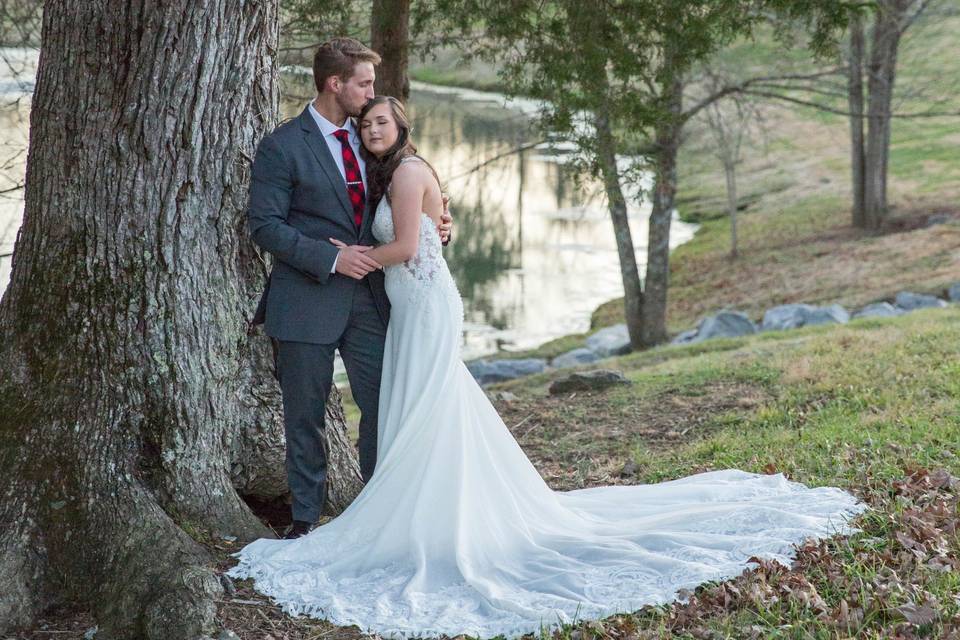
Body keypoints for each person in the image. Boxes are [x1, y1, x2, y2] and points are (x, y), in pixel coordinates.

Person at [229, 95, 865, 639]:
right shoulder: (378, 168)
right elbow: (404, 226)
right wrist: (423, 229)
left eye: (382, 122)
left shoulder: (403, 172)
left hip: (416, 304)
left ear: (403, 130)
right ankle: (393, 508)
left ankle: (409, 513)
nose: (372, 129)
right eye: (366, 120)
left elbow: (405, 242)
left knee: (417, 406)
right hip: (403, 302)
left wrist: (364, 250)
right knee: (417, 407)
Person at [247, 38, 451, 540]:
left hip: (372, 302)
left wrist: (440, 224)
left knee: (384, 406)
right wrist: (332, 257)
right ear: (335, 84)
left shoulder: (373, 137)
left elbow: (414, 197)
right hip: (304, 299)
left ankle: (380, 511)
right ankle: (304, 521)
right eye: (363, 83)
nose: (371, 93)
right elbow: (265, 227)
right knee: (305, 416)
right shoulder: (283, 145)